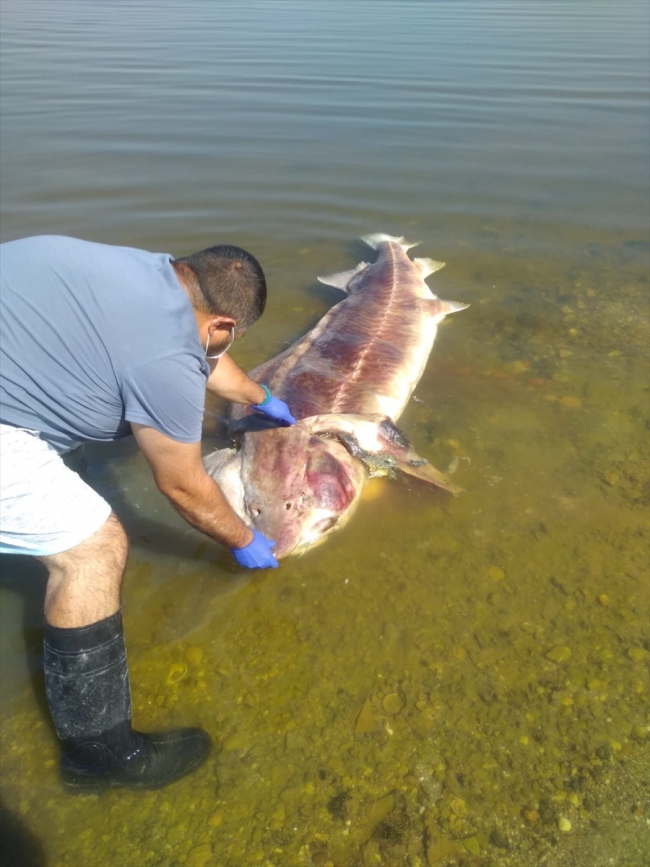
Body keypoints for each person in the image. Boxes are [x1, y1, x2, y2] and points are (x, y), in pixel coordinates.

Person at [0, 234, 296, 791]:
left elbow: (195, 352)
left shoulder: (145, 274)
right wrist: (242, 538)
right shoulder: (169, 354)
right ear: (225, 328)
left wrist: (260, 398)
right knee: (92, 549)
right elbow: (182, 486)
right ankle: (100, 758)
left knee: (74, 463)